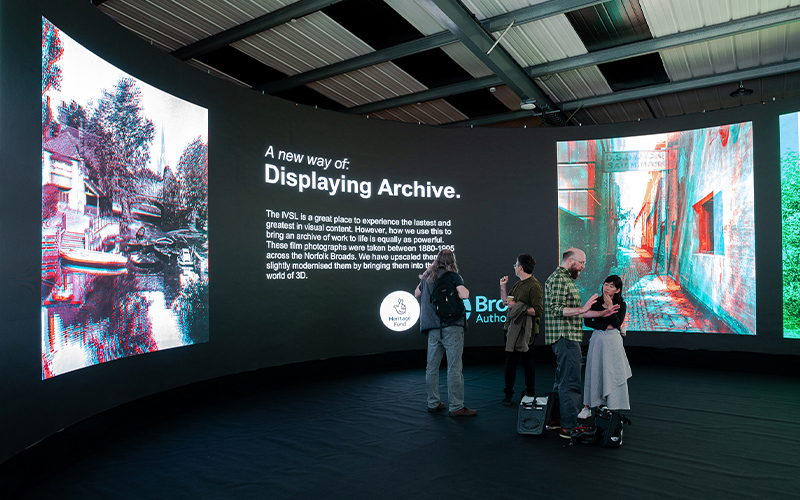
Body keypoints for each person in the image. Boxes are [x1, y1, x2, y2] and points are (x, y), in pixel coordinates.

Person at [544, 248, 619, 438]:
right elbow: (557, 310)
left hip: (568, 337)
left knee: (562, 380)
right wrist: (582, 309)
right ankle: (568, 426)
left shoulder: (566, 279)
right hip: (566, 337)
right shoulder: (559, 279)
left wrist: (602, 313)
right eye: (582, 262)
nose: (584, 267)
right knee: (570, 382)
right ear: (570, 261)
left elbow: (579, 312)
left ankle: (556, 419)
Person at [415, 249, 476, 417]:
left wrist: (428, 271)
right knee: (454, 368)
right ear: (452, 261)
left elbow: (417, 293)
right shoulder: (453, 276)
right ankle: (456, 406)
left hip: (432, 329)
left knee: (432, 368)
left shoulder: (428, 277)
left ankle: (433, 403)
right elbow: (464, 294)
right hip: (452, 327)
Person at [578, 275, 631, 419]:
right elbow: (587, 322)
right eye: (606, 284)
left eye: (611, 286)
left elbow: (616, 323)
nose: (607, 288)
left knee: (612, 372)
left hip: (613, 342)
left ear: (617, 290)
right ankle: (587, 406)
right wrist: (604, 326)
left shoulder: (621, 304)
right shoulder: (596, 301)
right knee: (593, 370)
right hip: (597, 339)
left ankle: (611, 405)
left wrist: (609, 307)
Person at [499, 254, 543, 406]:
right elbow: (506, 303)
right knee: (510, 361)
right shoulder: (518, 284)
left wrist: (519, 307)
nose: (514, 267)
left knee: (527, 361)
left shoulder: (534, 286)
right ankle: (508, 394)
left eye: (516, 264)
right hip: (512, 328)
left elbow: (537, 311)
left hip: (527, 331)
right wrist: (503, 286)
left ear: (521, 268)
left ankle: (530, 392)